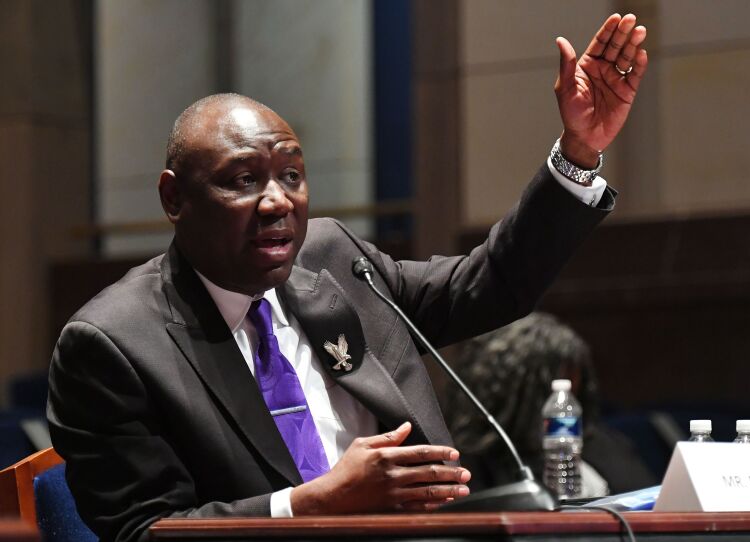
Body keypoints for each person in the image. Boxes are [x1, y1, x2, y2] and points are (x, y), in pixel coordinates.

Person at [47, 13, 648, 542]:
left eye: (290, 175)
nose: (277, 202)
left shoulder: (334, 259)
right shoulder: (113, 344)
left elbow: (490, 284)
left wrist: (579, 152)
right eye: (242, 180)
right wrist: (314, 504)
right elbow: (142, 532)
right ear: (174, 198)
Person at [445, 312, 657, 497]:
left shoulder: (600, 443)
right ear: (516, 388)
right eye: (558, 377)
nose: (570, 389)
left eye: (576, 377)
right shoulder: (469, 462)